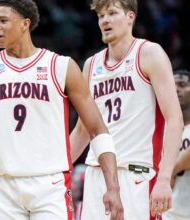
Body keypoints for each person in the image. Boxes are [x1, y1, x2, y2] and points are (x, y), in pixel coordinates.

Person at [0, 0, 123, 219]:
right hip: (3, 186)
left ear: (24, 24)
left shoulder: (61, 66)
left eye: (3, 20)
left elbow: (97, 130)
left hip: (49, 184)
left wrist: (112, 188)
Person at [70, 0, 183, 219]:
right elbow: (83, 131)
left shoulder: (149, 53)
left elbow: (174, 119)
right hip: (96, 175)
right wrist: (53, 170)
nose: (105, 20)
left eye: (112, 13)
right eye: (101, 16)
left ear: (130, 17)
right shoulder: (91, 65)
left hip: (137, 174)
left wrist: (164, 178)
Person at [163, 70, 190, 220]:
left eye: (182, 84)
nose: (175, 89)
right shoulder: (158, 129)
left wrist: (171, 171)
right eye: (171, 85)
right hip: (165, 213)